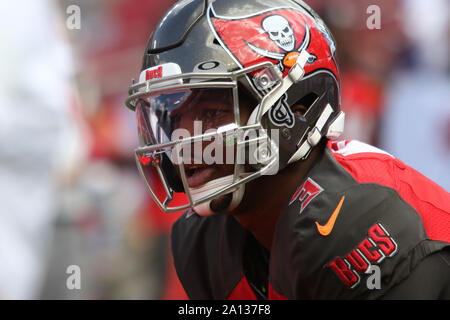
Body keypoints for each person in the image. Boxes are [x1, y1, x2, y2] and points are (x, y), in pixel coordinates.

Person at [125, 0, 450, 299]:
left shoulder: (348, 219)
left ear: (293, 106)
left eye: (211, 113)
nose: (183, 138)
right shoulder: (204, 242)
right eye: (173, 116)